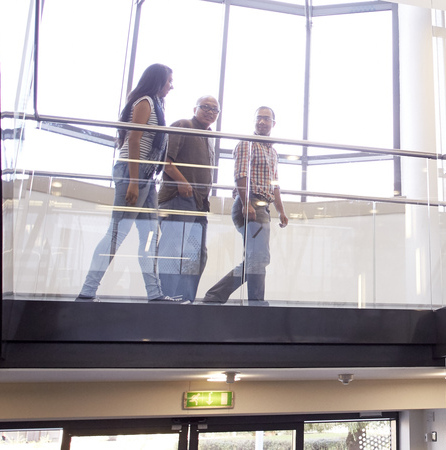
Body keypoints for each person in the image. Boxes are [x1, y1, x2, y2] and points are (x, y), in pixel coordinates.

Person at [76, 63, 184, 303]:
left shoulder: (156, 105)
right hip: (133, 173)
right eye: (169, 81)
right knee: (117, 234)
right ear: (158, 80)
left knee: (149, 235)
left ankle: (155, 294)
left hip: (147, 177)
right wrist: (134, 181)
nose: (171, 86)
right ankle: (87, 292)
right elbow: (134, 140)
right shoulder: (145, 102)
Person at [202, 106, 289, 305]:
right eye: (259, 118)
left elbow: (275, 184)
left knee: (257, 258)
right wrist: (246, 203)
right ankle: (237, 300)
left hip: (263, 206)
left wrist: (281, 211)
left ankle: (235, 299)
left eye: (266, 119)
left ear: (273, 123)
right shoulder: (246, 144)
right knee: (259, 258)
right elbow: (240, 174)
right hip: (250, 203)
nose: (262, 122)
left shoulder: (273, 152)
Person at [156, 95, 220, 302]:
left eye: (215, 109)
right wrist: (183, 183)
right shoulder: (183, 125)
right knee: (173, 250)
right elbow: (165, 161)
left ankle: (186, 300)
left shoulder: (209, 137)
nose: (210, 111)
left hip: (199, 204)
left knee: (197, 255)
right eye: (205, 107)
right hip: (178, 198)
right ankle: (167, 298)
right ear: (195, 109)